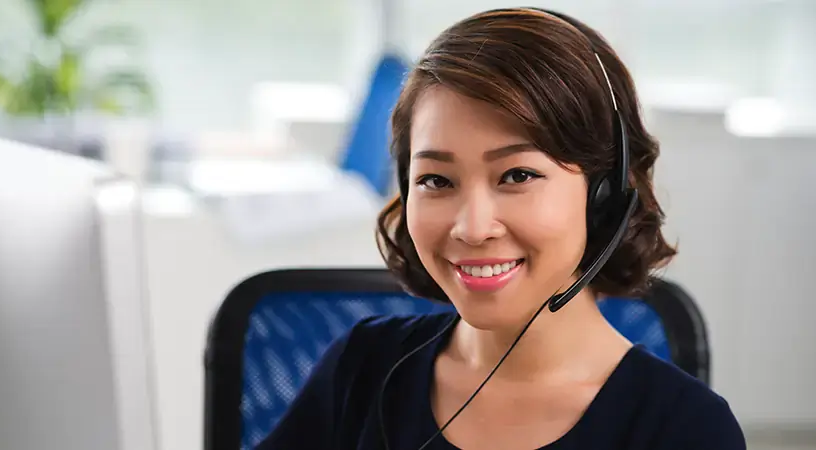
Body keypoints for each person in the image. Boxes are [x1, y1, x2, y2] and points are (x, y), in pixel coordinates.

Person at [257, 7, 745, 450]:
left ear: (605, 197)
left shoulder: (685, 428)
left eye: (517, 175)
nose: (471, 227)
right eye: (436, 180)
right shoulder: (361, 369)